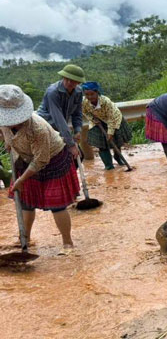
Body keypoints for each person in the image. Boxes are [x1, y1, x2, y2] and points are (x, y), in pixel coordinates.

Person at [1, 85, 80, 254]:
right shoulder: (3, 122)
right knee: (25, 203)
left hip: (52, 160)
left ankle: (68, 243)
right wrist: (8, 140)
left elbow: (41, 160)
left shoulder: (37, 128)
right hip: (24, 159)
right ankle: (25, 239)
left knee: (57, 204)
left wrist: (21, 180)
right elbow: (4, 131)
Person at [36, 64, 84, 162]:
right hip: (45, 127)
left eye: (73, 80)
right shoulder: (52, 92)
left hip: (60, 128)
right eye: (67, 79)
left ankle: (71, 177)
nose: (69, 82)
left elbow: (77, 112)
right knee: (57, 159)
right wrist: (70, 144)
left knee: (78, 156)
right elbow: (59, 120)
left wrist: (77, 130)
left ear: (78, 82)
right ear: (63, 77)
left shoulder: (78, 92)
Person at [81, 82, 132, 170]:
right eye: (87, 94)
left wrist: (110, 133)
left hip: (114, 119)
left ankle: (118, 158)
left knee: (116, 141)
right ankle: (108, 165)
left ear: (97, 92)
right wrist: (93, 119)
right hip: (98, 121)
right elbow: (85, 112)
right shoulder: (84, 102)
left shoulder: (105, 101)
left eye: (92, 94)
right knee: (101, 145)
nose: (89, 97)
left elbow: (111, 118)